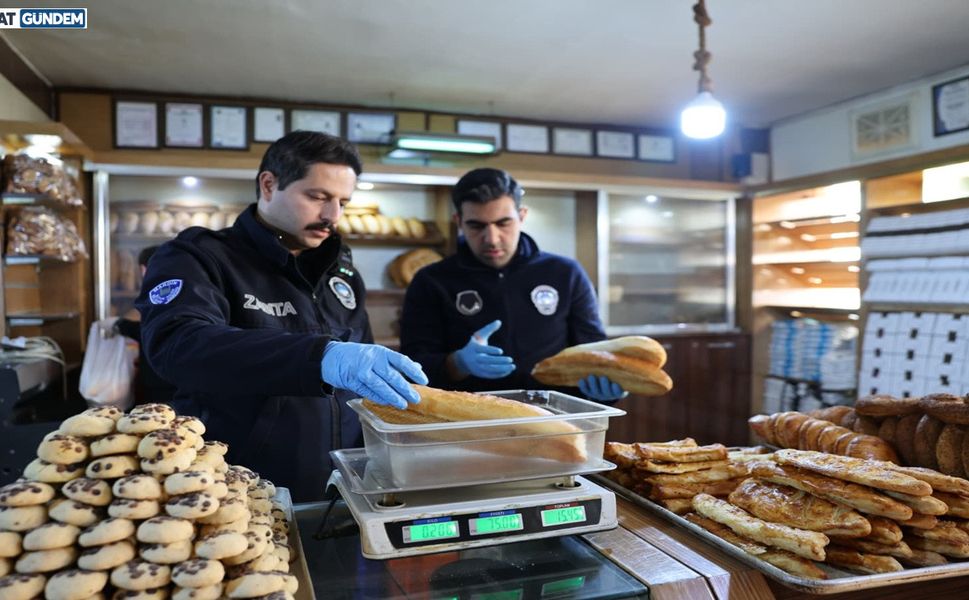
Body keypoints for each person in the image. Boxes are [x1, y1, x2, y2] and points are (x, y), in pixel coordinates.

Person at [136, 131, 427, 501]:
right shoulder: (199, 257)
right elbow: (178, 345)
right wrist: (319, 357)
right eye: (317, 197)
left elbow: (359, 378)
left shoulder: (342, 272)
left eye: (342, 201)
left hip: (345, 486)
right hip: (242, 490)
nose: (332, 215)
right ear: (269, 184)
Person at [400, 168, 626, 403]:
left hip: (556, 418)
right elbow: (413, 365)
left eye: (503, 223)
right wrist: (456, 363)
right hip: (467, 421)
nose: (492, 238)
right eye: (477, 226)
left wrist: (606, 389)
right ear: (459, 221)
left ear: (522, 215)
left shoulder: (565, 273)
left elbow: (593, 350)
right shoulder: (431, 280)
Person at [113, 245, 177, 405]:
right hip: (182, 375)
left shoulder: (158, 292)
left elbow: (151, 329)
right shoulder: (179, 287)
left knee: (157, 421)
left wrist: (122, 326)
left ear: (143, 269)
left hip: (158, 376)